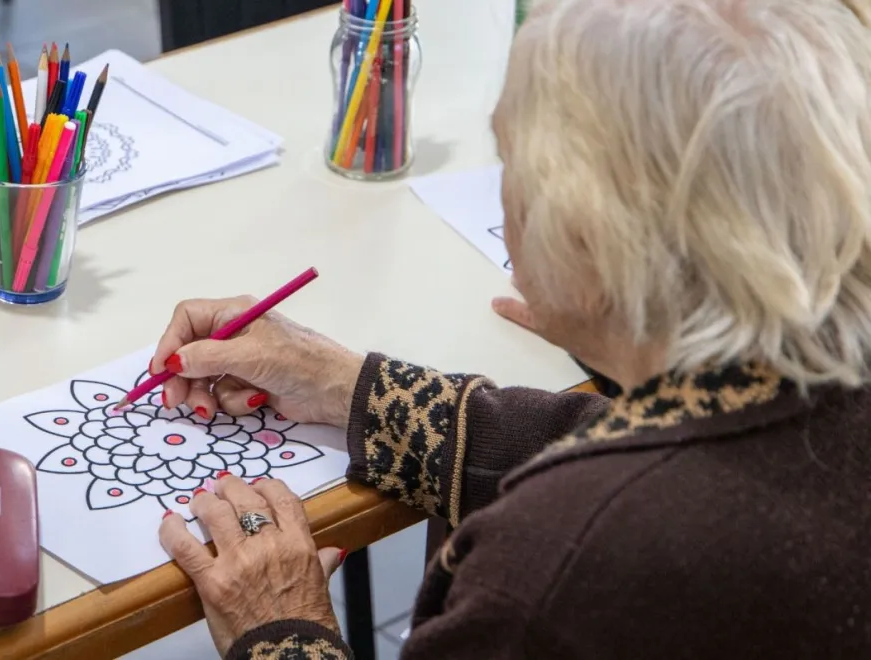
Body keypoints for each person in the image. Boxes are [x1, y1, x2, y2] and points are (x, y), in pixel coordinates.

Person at [152, 0, 871, 657]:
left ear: (589, 238)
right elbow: (650, 443)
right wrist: (354, 388)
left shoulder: (546, 579)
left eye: (510, 158)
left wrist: (281, 627)